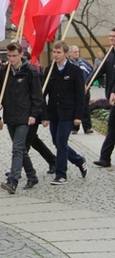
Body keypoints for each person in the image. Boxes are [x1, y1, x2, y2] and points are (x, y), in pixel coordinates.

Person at [0, 42, 42, 194]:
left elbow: (37, 96)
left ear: (21, 54)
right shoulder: (5, 71)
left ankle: (13, 180)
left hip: (25, 115)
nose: (11, 59)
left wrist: (34, 114)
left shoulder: (30, 71)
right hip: (10, 114)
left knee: (17, 148)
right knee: (21, 149)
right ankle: (32, 175)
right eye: (9, 56)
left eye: (14, 56)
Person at [41, 40, 88, 184]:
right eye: (54, 52)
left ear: (66, 53)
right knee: (57, 142)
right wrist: (44, 115)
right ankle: (79, 161)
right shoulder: (49, 70)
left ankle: (61, 175)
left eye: (59, 52)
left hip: (68, 113)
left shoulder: (75, 71)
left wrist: (79, 116)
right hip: (54, 112)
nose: (55, 55)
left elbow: (80, 95)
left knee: (61, 142)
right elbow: (42, 94)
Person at [93, 29, 115, 168]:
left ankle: (105, 157)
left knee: (112, 126)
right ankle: (105, 158)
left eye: (114, 36)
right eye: (110, 36)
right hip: (113, 100)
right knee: (112, 127)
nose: (111, 38)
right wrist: (86, 84)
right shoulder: (110, 55)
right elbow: (99, 71)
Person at [68, 45, 94, 134]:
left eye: (78, 52)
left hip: (85, 88)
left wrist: (87, 84)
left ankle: (87, 127)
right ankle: (74, 128)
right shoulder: (67, 64)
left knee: (85, 107)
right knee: (74, 107)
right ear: (69, 53)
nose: (77, 53)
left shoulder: (84, 63)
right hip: (72, 90)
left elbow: (92, 73)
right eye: (75, 52)